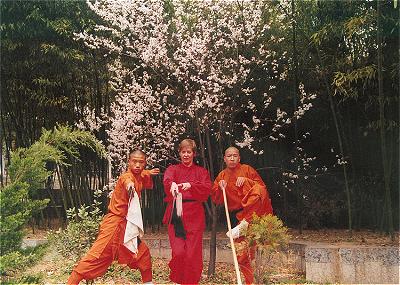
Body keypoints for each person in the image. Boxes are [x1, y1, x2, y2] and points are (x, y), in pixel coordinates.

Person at [67, 150, 159, 285]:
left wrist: (148, 172)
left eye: (141, 162)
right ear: (129, 162)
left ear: (145, 163)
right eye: (134, 161)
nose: (138, 165)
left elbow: (142, 174)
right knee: (96, 255)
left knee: (143, 253)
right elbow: (128, 181)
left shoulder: (140, 174)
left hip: (126, 227)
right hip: (114, 224)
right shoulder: (126, 177)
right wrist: (130, 187)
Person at [211, 146, 273, 285]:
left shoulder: (248, 170)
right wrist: (219, 187)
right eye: (229, 156)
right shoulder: (222, 175)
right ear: (225, 159)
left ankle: (258, 280)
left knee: (255, 251)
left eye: (235, 156)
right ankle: (249, 282)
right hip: (237, 218)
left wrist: (247, 181)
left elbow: (261, 190)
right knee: (242, 255)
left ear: (239, 158)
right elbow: (216, 199)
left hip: (254, 214)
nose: (232, 158)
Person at [162, 139, 211, 284]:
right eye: (183, 152)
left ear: (194, 153)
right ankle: (178, 280)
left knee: (192, 255)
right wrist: (172, 185)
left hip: (194, 215)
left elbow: (206, 187)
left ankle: (190, 282)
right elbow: (167, 180)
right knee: (178, 252)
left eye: (189, 152)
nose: (186, 155)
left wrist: (191, 185)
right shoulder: (173, 169)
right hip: (176, 213)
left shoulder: (201, 171)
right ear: (179, 153)